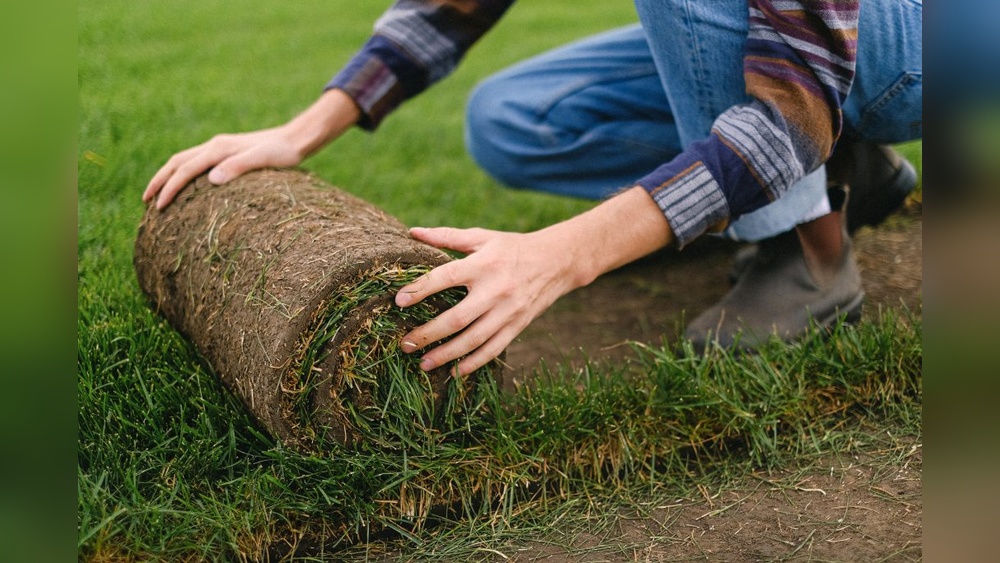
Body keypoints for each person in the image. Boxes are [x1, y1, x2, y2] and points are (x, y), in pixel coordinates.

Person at [144, 0, 922, 375]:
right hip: (804, 39)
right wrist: (302, 129)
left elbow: (792, 109)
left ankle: (805, 248)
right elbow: (449, 8)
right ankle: (842, 171)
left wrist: (562, 255)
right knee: (514, 118)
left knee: (794, 117)